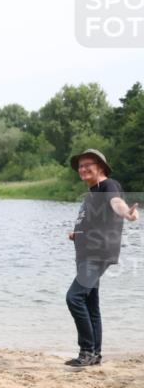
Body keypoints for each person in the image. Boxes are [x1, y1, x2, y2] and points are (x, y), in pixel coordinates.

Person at [64, 149, 138, 367]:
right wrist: (76, 234)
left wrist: (127, 213)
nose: (83, 169)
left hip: (97, 254)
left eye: (88, 164)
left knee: (74, 297)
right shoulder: (92, 193)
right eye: (80, 166)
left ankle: (86, 351)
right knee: (90, 303)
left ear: (101, 167)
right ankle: (94, 354)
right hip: (88, 252)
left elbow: (117, 203)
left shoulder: (109, 186)